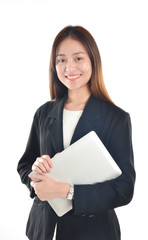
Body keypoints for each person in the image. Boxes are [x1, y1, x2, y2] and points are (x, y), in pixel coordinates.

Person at [17, 25, 136, 240]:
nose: (69, 67)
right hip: (42, 230)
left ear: (93, 61)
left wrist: (66, 191)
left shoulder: (116, 118)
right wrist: (35, 175)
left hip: (93, 232)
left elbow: (124, 188)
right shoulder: (43, 113)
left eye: (78, 58)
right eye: (61, 60)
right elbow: (25, 166)